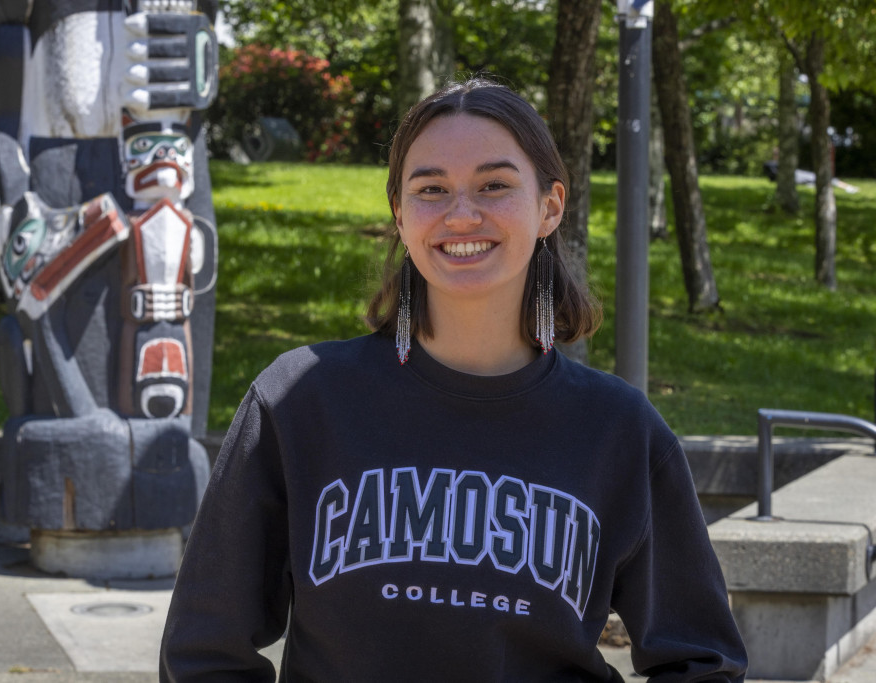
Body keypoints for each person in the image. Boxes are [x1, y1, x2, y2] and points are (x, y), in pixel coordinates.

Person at [160, 78, 748, 682]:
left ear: (550, 207)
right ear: (399, 212)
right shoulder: (301, 399)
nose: (461, 214)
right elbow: (206, 653)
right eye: (431, 189)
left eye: (494, 185)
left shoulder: (619, 430)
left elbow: (703, 661)